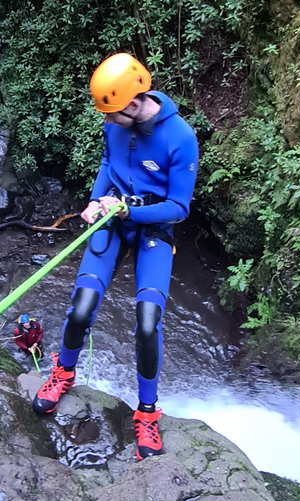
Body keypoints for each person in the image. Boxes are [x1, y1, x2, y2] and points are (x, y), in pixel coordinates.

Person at [31, 53, 199, 461]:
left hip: (153, 228)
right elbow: (108, 163)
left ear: (135, 103)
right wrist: (94, 202)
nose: (106, 122)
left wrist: (129, 212)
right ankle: (63, 372)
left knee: (146, 324)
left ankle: (147, 413)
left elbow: (179, 207)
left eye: (111, 114)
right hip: (114, 216)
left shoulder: (180, 138)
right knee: (81, 307)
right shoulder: (117, 125)